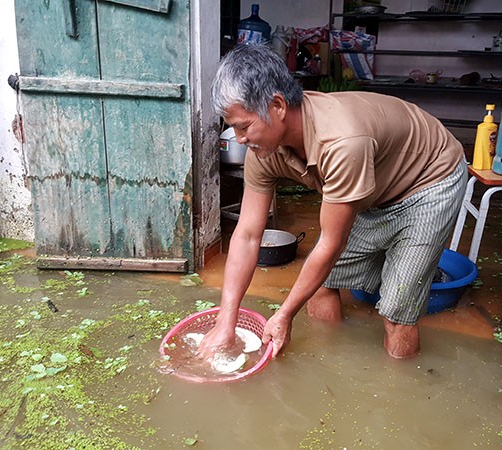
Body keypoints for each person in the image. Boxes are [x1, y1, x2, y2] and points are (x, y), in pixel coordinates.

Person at [199, 44, 467, 359]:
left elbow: (330, 244)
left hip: (429, 180)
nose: (239, 138)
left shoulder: (342, 142)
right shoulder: (262, 149)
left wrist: (284, 315)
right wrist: (226, 323)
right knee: (321, 283)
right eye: (233, 127)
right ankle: (328, 363)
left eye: (244, 127)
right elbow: (246, 235)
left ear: (278, 106)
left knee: (397, 309)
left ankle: (397, 387)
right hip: (375, 188)